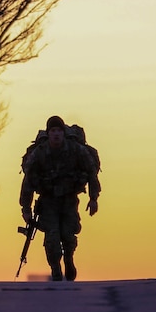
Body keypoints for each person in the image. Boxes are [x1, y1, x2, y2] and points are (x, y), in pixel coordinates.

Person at [19, 115, 100, 281]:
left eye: (59, 131)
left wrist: (93, 199)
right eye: (53, 131)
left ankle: (69, 259)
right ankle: (55, 267)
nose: (56, 134)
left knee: (68, 234)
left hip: (69, 199)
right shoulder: (39, 154)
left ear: (63, 133)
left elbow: (91, 172)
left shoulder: (76, 150)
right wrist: (25, 209)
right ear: (48, 133)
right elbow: (28, 181)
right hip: (48, 201)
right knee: (52, 236)